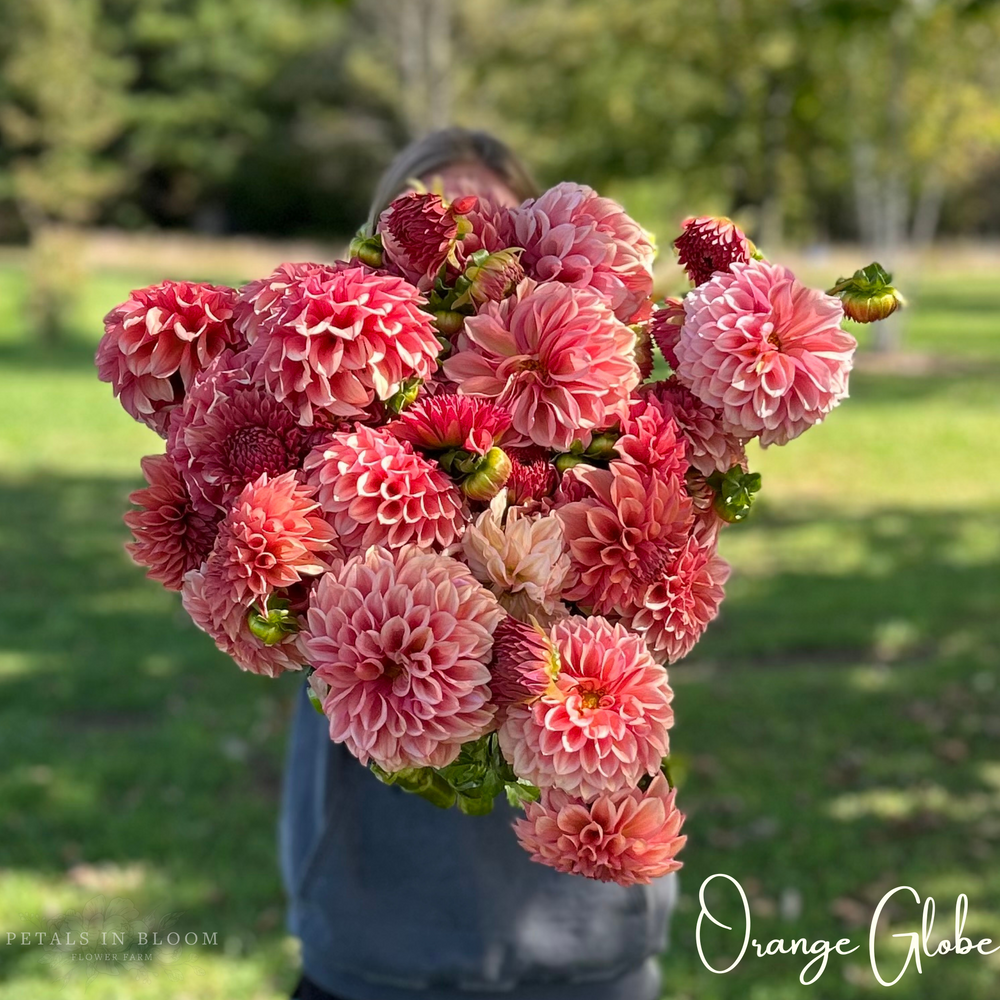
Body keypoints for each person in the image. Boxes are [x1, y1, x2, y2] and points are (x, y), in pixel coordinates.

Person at [279, 127, 678, 1000]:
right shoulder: (312, 417)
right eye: (428, 213)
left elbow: (662, 598)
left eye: (483, 213)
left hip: (586, 942)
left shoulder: (614, 421)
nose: (457, 235)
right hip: (381, 940)